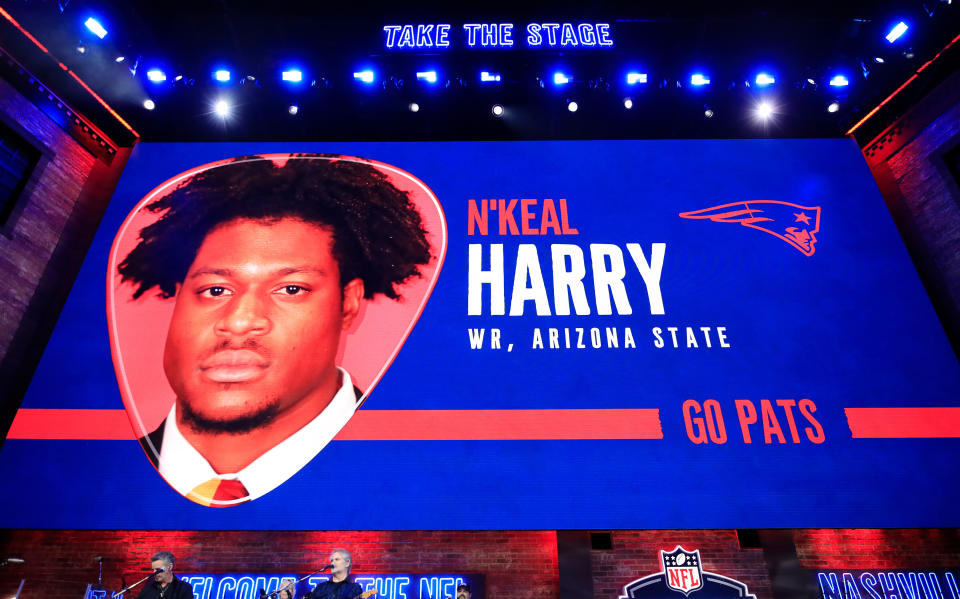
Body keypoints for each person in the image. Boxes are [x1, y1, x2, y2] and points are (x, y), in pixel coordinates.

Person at [118, 155, 432, 507]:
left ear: (349, 303)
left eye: (291, 289)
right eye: (216, 290)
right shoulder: (102, 476)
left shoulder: (421, 476)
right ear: (179, 296)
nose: (239, 321)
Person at [280, 549, 363, 599]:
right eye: (332, 560)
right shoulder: (321, 587)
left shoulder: (355, 588)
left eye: (337, 559)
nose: (333, 562)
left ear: (347, 563)